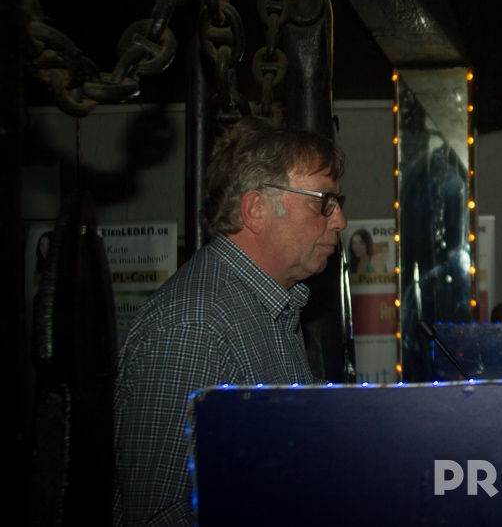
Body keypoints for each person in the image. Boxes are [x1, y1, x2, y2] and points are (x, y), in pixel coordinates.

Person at [112, 117, 347, 526]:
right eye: (323, 201)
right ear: (256, 210)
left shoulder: (268, 305)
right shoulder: (193, 327)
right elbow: (160, 515)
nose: (339, 220)